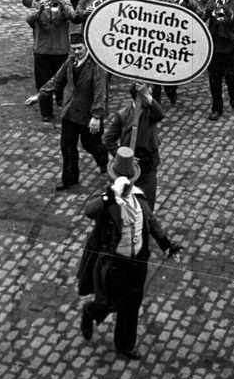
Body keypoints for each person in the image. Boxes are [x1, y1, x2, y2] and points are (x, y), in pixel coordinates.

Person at [77, 147, 182, 360]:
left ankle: (125, 345)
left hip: (137, 264)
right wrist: (111, 196)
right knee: (106, 303)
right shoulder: (108, 201)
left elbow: (151, 221)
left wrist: (166, 244)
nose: (128, 186)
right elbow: (88, 211)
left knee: (131, 306)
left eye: (129, 182)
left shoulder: (139, 198)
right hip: (113, 265)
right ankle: (90, 312)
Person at [25, 32, 107, 190]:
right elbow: (56, 80)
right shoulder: (70, 62)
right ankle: (70, 179)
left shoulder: (96, 66)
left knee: (90, 144)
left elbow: (100, 91)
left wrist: (96, 116)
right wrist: (40, 95)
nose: (77, 52)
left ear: (87, 47)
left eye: (80, 48)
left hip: (88, 115)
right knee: (67, 146)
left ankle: (104, 159)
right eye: (74, 48)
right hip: (70, 113)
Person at [103, 82, 164, 211]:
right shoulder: (123, 115)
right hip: (129, 168)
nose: (151, 93)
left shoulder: (150, 111)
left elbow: (160, 114)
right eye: (147, 93)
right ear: (137, 96)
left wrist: (146, 95)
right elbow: (108, 140)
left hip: (148, 164)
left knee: (147, 203)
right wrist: (123, 157)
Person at [26, 0, 75, 122]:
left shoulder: (65, 2)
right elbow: (30, 20)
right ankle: (46, 112)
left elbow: (72, 16)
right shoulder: (37, 2)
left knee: (61, 81)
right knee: (42, 81)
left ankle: (59, 96)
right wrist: (39, 9)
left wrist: (61, 5)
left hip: (60, 49)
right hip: (42, 49)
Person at [201, 0, 234, 121]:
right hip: (214, 45)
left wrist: (229, 11)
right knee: (214, 79)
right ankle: (216, 108)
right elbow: (201, 21)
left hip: (231, 45)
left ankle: (233, 94)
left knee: (231, 77)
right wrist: (207, 12)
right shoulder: (212, 1)